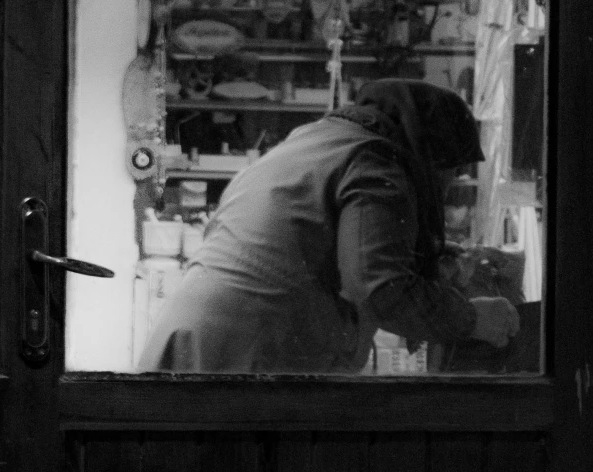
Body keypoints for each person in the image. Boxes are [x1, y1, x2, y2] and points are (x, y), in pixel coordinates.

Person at [137, 78, 518, 373]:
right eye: (450, 171)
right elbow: (382, 289)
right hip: (241, 365)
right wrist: (472, 320)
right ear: (430, 154)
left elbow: (331, 245)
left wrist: (446, 265)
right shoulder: (375, 161)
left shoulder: (317, 141)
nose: (447, 188)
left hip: (197, 351)